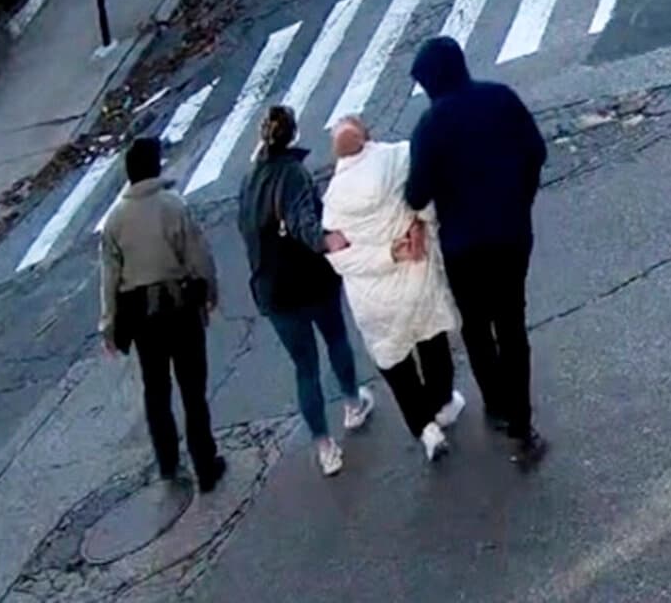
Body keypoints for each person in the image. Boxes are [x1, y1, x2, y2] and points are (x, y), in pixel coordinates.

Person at [407, 36, 548, 466]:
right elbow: (536, 153)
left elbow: (416, 195)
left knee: (475, 326)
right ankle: (523, 423)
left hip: (464, 246)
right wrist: (520, 200)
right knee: (512, 324)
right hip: (511, 234)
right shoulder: (501, 99)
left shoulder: (430, 127)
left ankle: (496, 401)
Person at [238, 105, 374, 477]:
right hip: (312, 281)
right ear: (293, 135)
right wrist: (328, 241)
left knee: (305, 369)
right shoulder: (293, 174)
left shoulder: (249, 180)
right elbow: (303, 222)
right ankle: (352, 403)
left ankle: (324, 446)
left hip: (275, 291)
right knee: (336, 338)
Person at [321, 117, 466, 462]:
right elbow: (426, 195)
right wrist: (421, 224)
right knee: (431, 341)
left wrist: (386, 254)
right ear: (367, 137)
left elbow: (342, 261)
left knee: (395, 363)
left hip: (374, 301)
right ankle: (443, 404)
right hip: (416, 277)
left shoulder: (334, 202)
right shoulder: (400, 157)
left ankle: (426, 430)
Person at [99, 137, 227, 493]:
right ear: (155, 168)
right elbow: (198, 256)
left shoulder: (115, 221)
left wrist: (109, 326)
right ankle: (205, 463)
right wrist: (210, 292)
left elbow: (109, 278)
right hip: (180, 308)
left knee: (155, 390)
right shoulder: (173, 206)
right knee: (192, 389)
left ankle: (168, 461)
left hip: (142, 318)